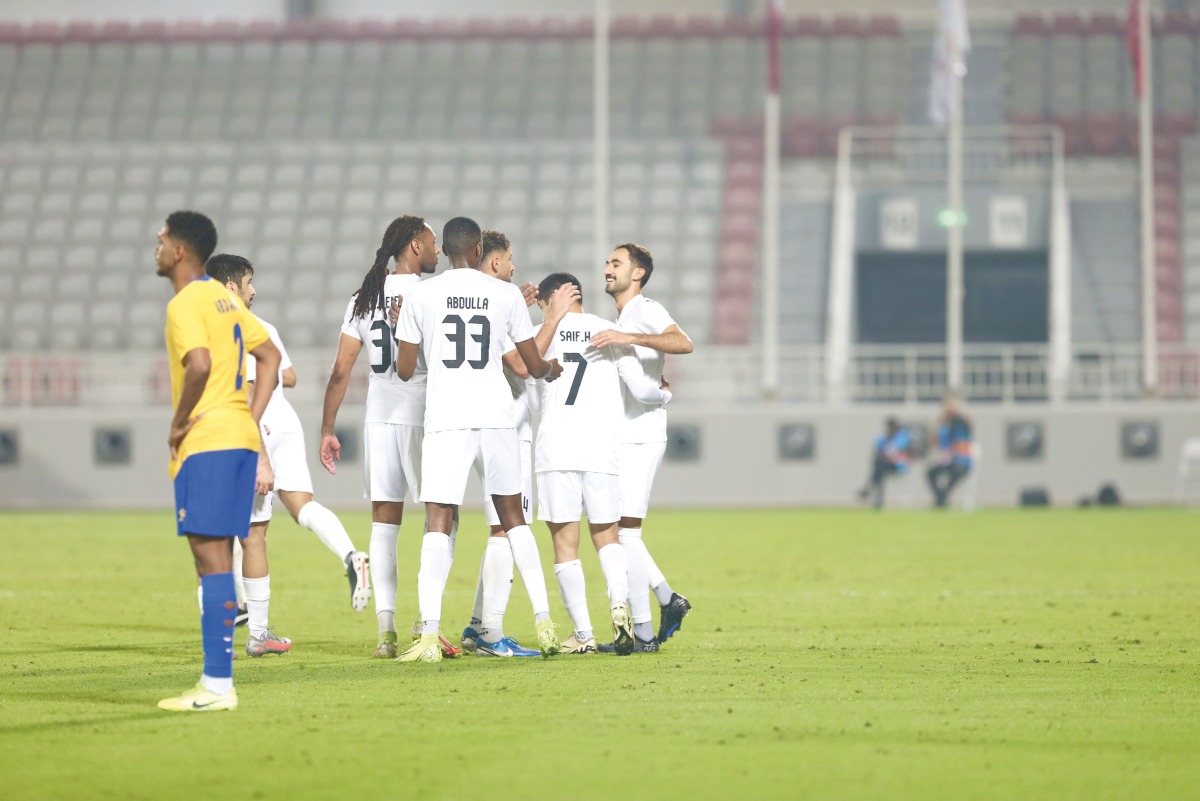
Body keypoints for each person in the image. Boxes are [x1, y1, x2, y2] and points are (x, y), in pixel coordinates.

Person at [394, 216, 563, 663]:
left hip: (447, 419)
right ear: (476, 252)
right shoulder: (505, 295)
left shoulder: (421, 294)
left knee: (438, 520)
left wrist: (411, 335)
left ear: (447, 251)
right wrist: (552, 369)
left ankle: (429, 633)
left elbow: (406, 369)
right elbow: (531, 363)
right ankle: (545, 621)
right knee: (512, 518)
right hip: (494, 417)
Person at [207, 254, 372, 657]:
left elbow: (245, 392)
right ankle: (351, 554)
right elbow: (290, 376)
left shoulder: (222, 328)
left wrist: (259, 455)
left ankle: (254, 631)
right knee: (302, 506)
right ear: (232, 286)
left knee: (250, 535)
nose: (253, 289)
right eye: (249, 281)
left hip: (254, 429)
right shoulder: (264, 327)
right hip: (285, 422)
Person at [154, 210, 280, 712]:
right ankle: (217, 681)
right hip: (239, 441)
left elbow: (200, 363)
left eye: (162, 240)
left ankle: (217, 685)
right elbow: (268, 356)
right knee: (218, 561)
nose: (157, 247)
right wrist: (248, 415)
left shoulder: (186, 302)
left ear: (180, 250)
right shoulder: (226, 299)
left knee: (210, 563)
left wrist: (179, 422)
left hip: (207, 442)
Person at [318, 216, 460, 658]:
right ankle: (426, 622)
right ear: (415, 246)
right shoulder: (430, 293)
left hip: (378, 417)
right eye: (433, 242)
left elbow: (341, 370)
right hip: (424, 414)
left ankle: (386, 632)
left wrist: (326, 428)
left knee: (384, 521)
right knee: (444, 515)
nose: (438, 250)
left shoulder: (363, 298)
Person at [532, 272, 674, 656]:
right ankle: (618, 605)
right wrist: (664, 394)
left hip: (556, 447)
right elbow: (642, 390)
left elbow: (527, 385)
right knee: (608, 538)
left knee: (566, 545)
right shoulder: (608, 331)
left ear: (548, 300)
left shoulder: (538, 336)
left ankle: (583, 634)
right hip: (602, 449)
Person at [456, 229, 575, 657]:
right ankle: (491, 632)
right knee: (505, 529)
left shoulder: (484, 301)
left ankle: (476, 627)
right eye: (509, 260)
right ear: (492, 263)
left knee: (498, 527)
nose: (514, 267)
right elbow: (524, 367)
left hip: (474, 423)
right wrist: (552, 319)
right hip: (506, 430)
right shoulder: (499, 303)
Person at [589, 243, 694, 652]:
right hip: (624, 433)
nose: (606, 269)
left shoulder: (644, 308)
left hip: (642, 434)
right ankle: (666, 601)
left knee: (625, 533)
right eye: (607, 263)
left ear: (639, 273)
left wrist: (627, 337)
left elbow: (683, 343)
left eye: (616, 263)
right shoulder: (624, 315)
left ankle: (646, 633)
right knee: (618, 531)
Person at [927, 396, 974, 508]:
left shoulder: (960, 422)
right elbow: (934, 441)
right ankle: (940, 497)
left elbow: (968, 430)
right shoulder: (942, 424)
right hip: (947, 459)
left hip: (960, 460)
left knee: (956, 471)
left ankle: (943, 497)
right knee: (931, 473)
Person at [857, 417, 913, 509]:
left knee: (879, 468)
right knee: (879, 468)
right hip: (884, 464)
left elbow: (903, 454)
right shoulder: (882, 438)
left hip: (898, 465)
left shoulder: (902, 438)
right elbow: (876, 454)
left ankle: (868, 489)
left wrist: (892, 457)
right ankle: (877, 497)